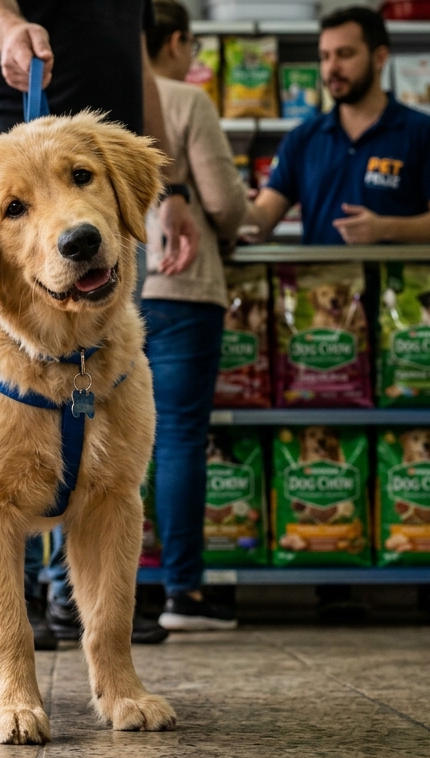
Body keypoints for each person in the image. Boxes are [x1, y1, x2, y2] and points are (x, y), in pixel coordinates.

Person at [0, 0, 198, 649]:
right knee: (3, 445)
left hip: (105, 169)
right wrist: (10, 31)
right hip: (10, 143)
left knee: (105, 423)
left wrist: (169, 191)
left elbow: (139, 72)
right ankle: (13, 603)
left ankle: (77, 597)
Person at [141, 0, 248, 631]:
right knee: (179, 436)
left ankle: (90, 591)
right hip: (185, 292)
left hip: (113, 292)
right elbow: (224, 204)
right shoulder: (187, 101)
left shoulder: (105, 94)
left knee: (97, 440)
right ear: (176, 40)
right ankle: (183, 593)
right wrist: (243, 220)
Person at [247, 6, 430, 245]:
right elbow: (263, 219)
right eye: (325, 56)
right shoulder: (303, 137)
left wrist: (384, 229)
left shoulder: (424, 131)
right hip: (323, 281)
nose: (332, 68)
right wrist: (233, 208)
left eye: (345, 54)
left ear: (380, 57)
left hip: (400, 280)